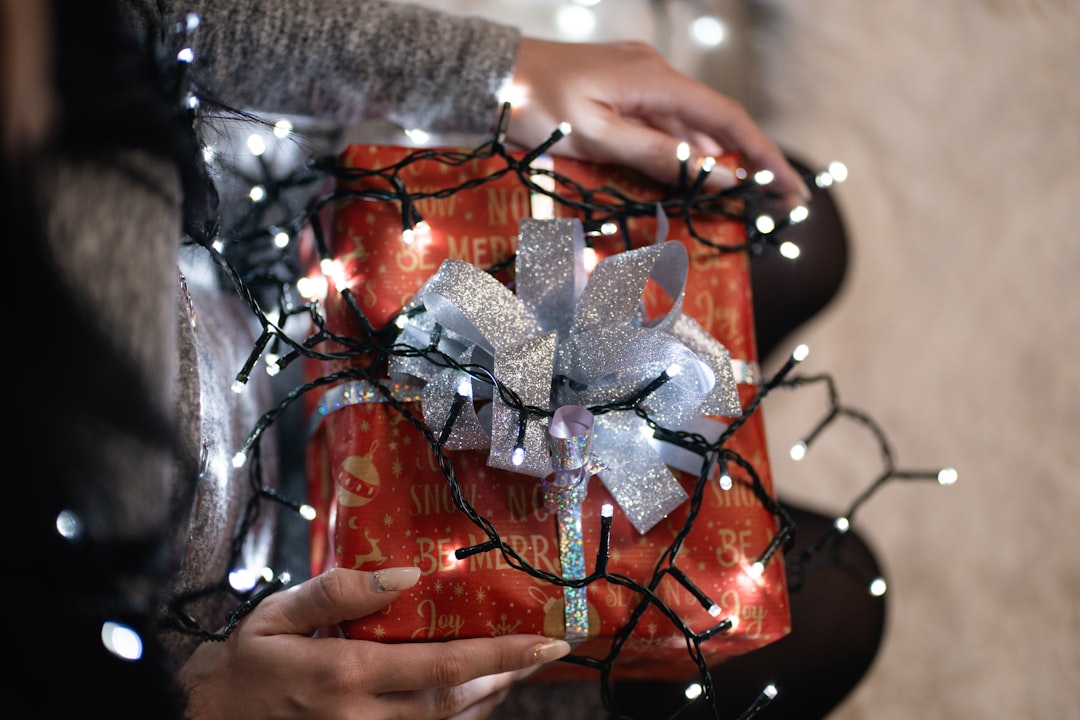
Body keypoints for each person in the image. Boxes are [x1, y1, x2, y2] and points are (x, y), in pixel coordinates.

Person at [6, 0, 817, 718]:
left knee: (800, 229)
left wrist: (504, 70)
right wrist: (200, 707)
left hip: (305, 271)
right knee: (826, 608)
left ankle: (722, 440)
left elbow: (156, 17)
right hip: (286, 629)